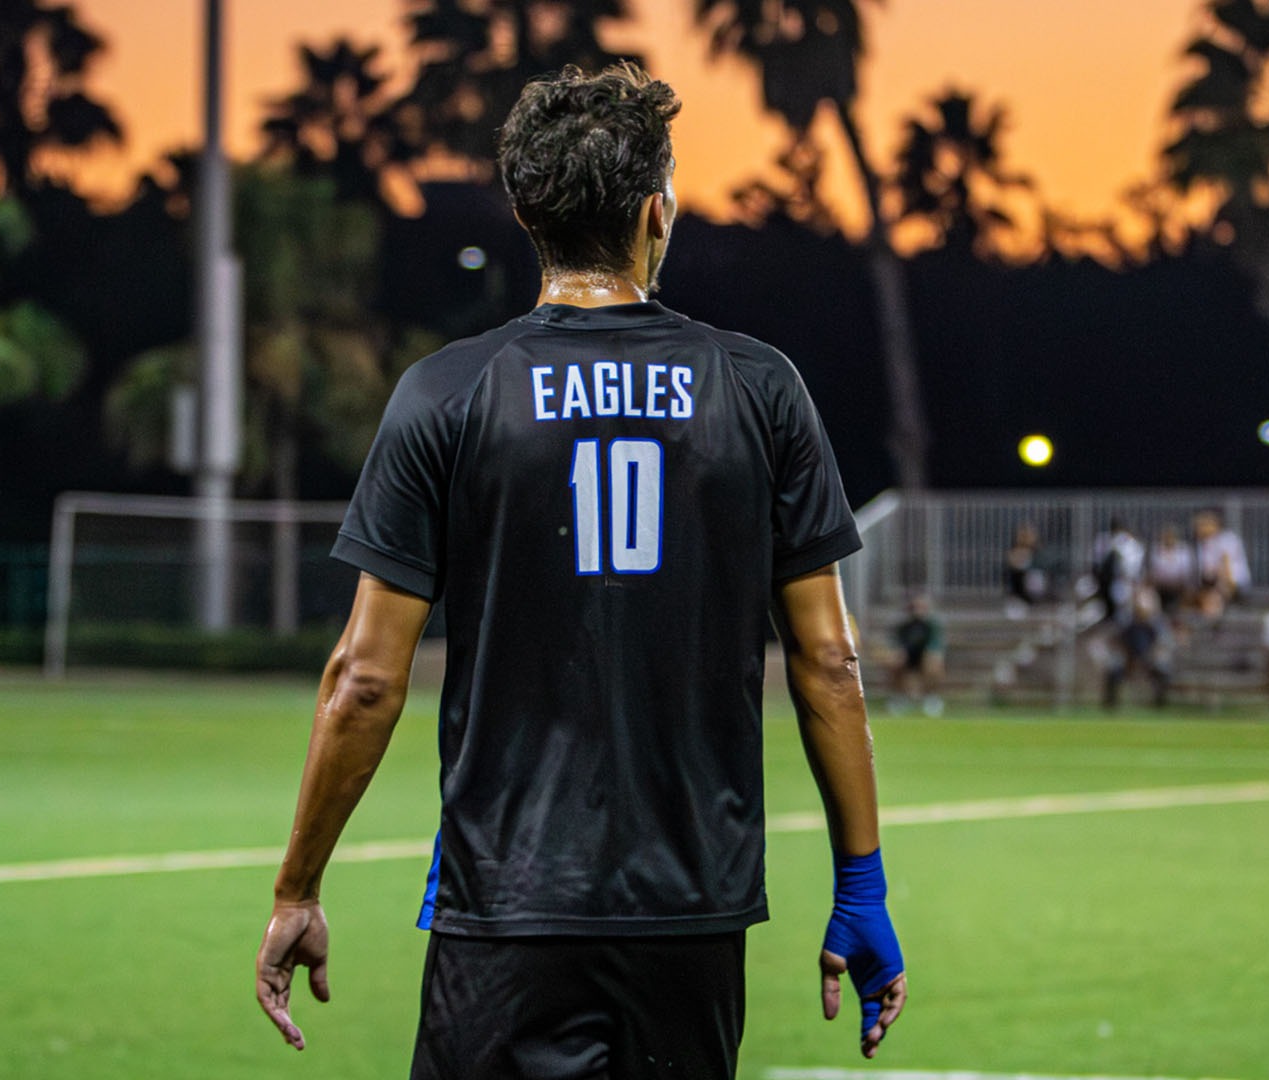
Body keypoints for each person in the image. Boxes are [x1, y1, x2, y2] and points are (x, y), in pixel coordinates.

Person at [253, 65, 906, 1078]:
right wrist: (860, 889)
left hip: (506, 903)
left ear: (524, 214)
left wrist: (298, 888)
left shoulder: (447, 393)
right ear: (660, 209)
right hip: (693, 916)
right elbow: (829, 666)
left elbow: (366, 677)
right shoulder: (760, 388)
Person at [1103, 587, 1172, 709]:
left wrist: (1150, 658)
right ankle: (1110, 706)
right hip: (1127, 659)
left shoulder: (1157, 623)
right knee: (1113, 671)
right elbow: (1115, 640)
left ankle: (1160, 705)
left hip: (1149, 658)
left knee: (1163, 671)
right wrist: (1127, 657)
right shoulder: (1126, 621)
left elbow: (1162, 644)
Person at [885, 594, 946, 716]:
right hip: (908, 657)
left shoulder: (931, 626)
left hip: (925, 657)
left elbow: (935, 646)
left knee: (933, 662)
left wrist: (930, 655)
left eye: (921, 607)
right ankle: (900, 697)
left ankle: (931, 698)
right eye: (914, 607)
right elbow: (896, 645)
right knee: (893, 661)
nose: (917, 611)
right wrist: (897, 654)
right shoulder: (903, 627)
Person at [1193, 509, 1250, 621]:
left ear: (1214, 524)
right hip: (1213, 583)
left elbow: (1226, 565)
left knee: (1213, 600)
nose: (1199, 529)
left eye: (1202, 525)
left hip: (1233, 581)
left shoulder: (1227, 539)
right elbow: (1206, 572)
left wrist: (1225, 587)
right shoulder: (1204, 543)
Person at [1090, 517, 1145, 623]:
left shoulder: (1129, 542)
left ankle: (1124, 621)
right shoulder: (1104, 539)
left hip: (1125, 578)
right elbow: (1098, 560)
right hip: (1108, 578)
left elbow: (1133, 564)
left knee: (1124, 602)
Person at [1146, 523, 1195, 619]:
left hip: (1179, 587)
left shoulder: (1183, 550)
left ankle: (1181, 618)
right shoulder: (1156, 549)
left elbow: (1186, 571)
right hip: (1160, 587)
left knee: (1189, 593)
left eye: (1171, 537)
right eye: (1166, 536)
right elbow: (1154, 570)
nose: (1169, 539)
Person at [1004, 521, 1048, 613]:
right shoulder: (1016, 551)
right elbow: (1014, 566)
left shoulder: (1038, 552)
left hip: (1035, 589)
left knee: (1036, 576)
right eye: (1023, 535)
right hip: (1020, 591)